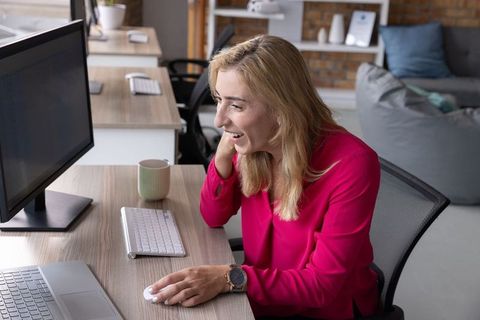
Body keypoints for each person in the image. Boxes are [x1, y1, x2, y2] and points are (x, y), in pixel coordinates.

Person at [147, 35, 380, 319]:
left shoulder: (353, 164)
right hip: (257, 297)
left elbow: (323, 285)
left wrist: (227, 277)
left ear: (282, 109)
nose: (219, 120)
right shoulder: (255, 143)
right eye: (219, 100)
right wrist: (221, 159)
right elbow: (213, 216)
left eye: (236, 105)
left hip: (323, 310)